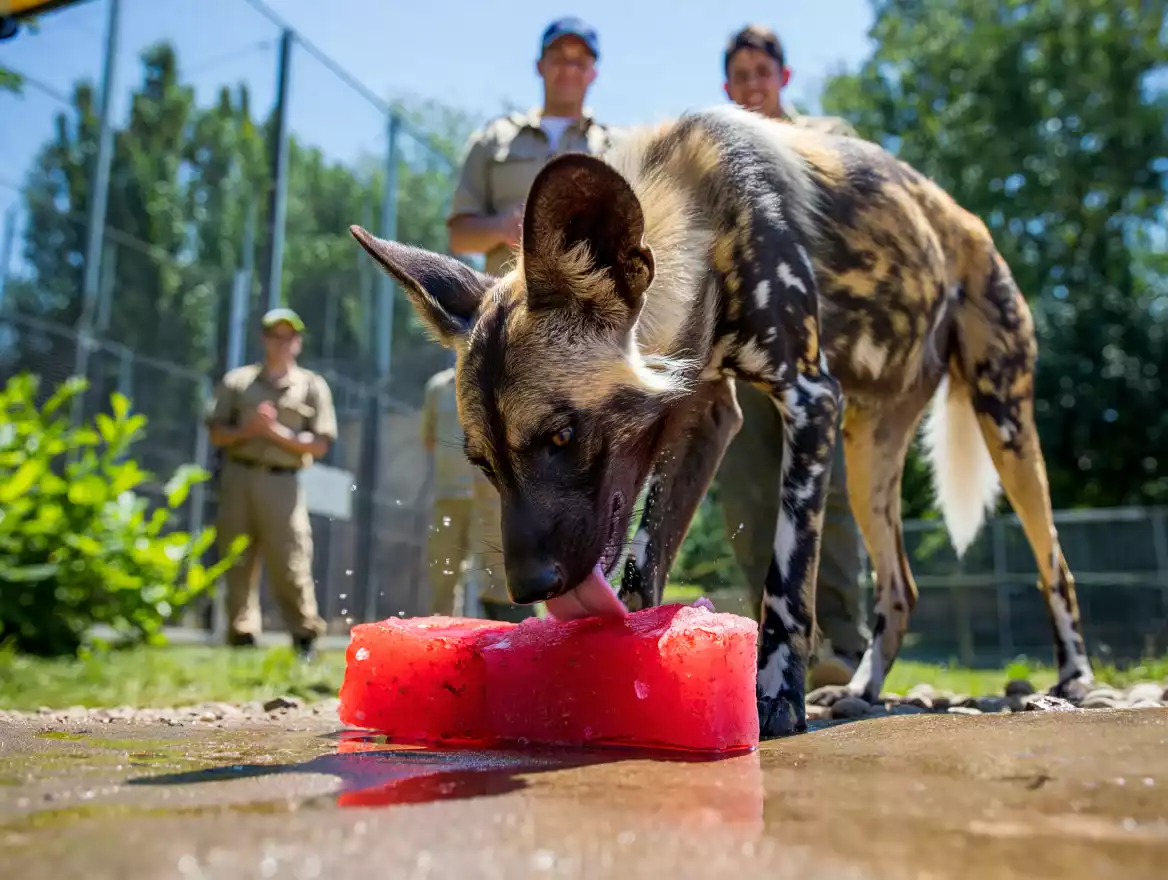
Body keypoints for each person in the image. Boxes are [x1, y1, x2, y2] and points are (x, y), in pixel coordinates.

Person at [716, 24, 872, 689]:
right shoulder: (717, 158)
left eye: (763, 71)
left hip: (816, 349)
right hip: (744, 352)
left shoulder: (828, 138)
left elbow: (865, 217)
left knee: (826, 495)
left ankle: (844, 641)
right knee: (748, 499)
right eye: (741, 75)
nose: (753, 84)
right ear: (727, 88)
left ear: (784, 76)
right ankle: (777, 648)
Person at [444, 16, 613, 622]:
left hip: (577, 348)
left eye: (580, 58)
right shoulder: (495, 141)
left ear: (592, 72)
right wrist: (501, 227)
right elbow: (459, 230)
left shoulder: (612, 147)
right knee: (502, 476)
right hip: (504, 343)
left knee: (578, 474)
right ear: (540, 66)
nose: (568, 67)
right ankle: (506, 631)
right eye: (557, 56)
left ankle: (591, 626)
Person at [204, 307, 337, 661]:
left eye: (289, 336)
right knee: (236, 558)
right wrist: (248, 431)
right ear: (264, 339)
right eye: (275, 335)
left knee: (291, 559)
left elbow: (320, 443)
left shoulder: (312, 385)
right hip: (239, 477)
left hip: (284, 484)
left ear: (298, 342)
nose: (282, 343)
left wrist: (276, 433)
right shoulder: (238, 382)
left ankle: (303, 636)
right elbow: (216, 433)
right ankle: (240, 636)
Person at [419, 364, 478, 617]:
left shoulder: (501, 377)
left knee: (497, 578)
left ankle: (509, 644)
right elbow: (428, 439)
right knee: (443, 574)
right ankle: (443, 642)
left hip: (489, 500)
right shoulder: (437, 387)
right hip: (447, 496)